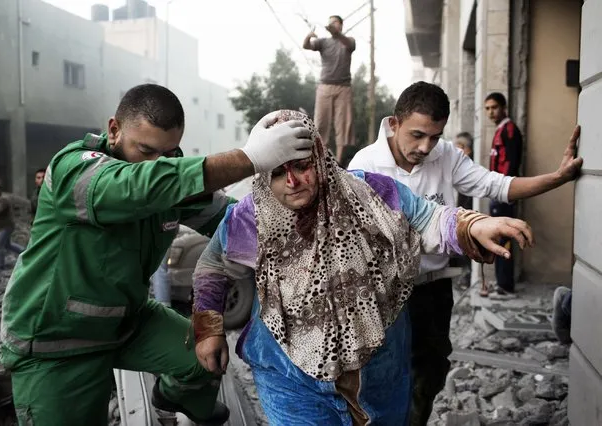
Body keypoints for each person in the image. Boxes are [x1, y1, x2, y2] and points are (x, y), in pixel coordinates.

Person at [191, 110, 534, 425]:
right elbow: (212, 267)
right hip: (288, 377)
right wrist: (209, 328)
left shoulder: (371, 191)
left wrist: (472, 226)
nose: (292, 181)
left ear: (320, 157)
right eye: (278, 172)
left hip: (378, 371)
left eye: (301, 165)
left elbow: (428, 219)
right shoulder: (250, 218)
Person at [0, 84, 314, 426]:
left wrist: (309, 236)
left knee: (205, 353)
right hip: (56, 342)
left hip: (126, 319)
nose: (157, 162)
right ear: (114, 130)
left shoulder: (168, 178)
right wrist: (248, 158)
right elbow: (139, 186)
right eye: (146, 150)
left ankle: (176, 395)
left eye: (168, 153)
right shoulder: (76, 170)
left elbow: (232, 221)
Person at [348, 81, 583, 426]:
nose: (426, 147)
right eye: (417, 135)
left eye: (435, 136)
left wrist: (557, 178)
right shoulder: (364, 166)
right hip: (384, 294)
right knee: (383, 377)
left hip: (434, 289)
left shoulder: (446, 155)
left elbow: (496, 184)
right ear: (394, 123)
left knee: (431, 372)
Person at [484, 92, 525, 295]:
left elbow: (511, 163)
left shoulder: (509, 130)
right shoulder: (500, 130)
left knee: (505, 237)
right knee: (498, 236)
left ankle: (506, 286)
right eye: (488, 108)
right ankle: (501, 283)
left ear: (504, 107)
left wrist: (504, 192)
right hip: (497, 194)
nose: (491, 112)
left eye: (494, 107)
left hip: (504, 194)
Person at [303, 15, 356, 164]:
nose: (333, 25)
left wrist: (337, 34)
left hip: (344, 88)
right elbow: (306, 46)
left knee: (343, 124)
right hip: (324, 86)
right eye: (331, 23)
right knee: (321, 123)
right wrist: (309, 36)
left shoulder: (349, 41)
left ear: (341, 26)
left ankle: (339, 162)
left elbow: (347, 43)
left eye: (336, 23)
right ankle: (322, 160)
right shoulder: (323, 42)